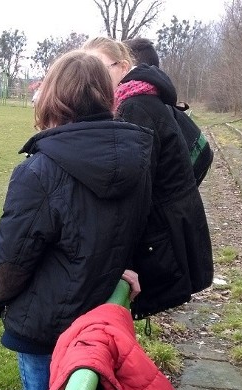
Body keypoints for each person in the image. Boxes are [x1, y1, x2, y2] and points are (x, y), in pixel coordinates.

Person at [0, 49, 154, 390]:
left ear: (53, 96)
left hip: (47, 327)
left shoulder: (40, 170)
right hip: (97, 318)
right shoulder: (137, 159)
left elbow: (11, 260)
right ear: (106, 96)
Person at [83, 37, 213, 321]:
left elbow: (133, 189)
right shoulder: (145, 99)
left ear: (124, 66)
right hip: (169, 231)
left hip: (161, 240)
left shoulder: (135, 107)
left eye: (100, 69)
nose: (92, 79)